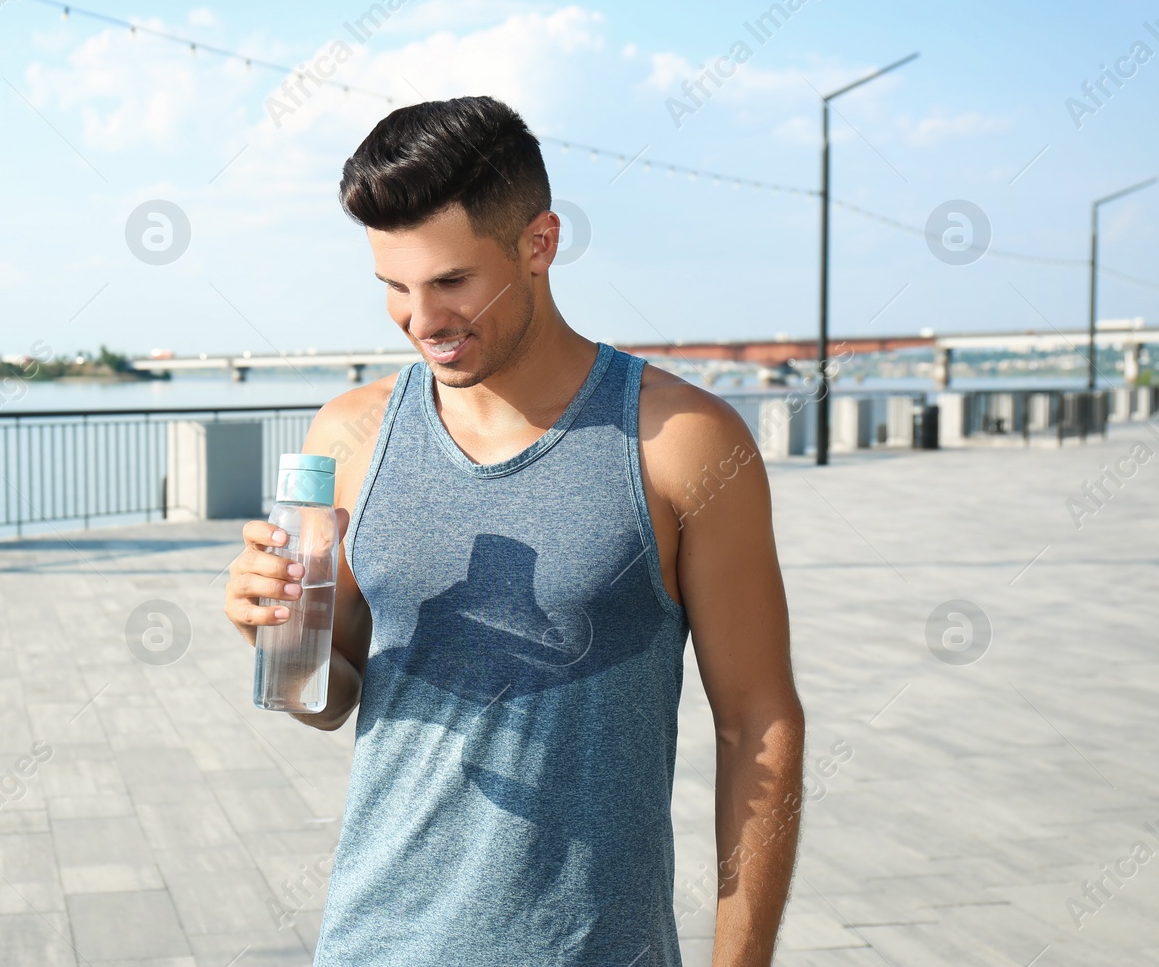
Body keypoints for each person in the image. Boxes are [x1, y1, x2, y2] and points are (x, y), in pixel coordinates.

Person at [222, 95, 804, 966]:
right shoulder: (350, 433)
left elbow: (758, 721)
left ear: (539, 243)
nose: (421, 320)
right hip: (374, 943)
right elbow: (330, 697)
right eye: (393, 286)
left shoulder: (684, 442)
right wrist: (267, 628)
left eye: (452, 282)